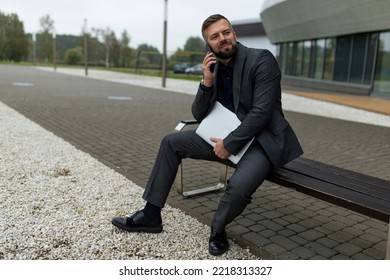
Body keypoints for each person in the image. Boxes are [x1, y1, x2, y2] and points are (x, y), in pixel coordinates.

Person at [112, 14, 303, 256]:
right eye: (215, 36)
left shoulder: (261, 60)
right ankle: (151, 215)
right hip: (221, 136)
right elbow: (199, 113)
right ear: (208, 45)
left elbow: (262, 112)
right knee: (171, 142)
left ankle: (218, 229)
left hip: (261, 142)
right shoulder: (213, 68)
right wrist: (207, 81)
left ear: (234, 34)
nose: (223, 39)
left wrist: (230, 144)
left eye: (226, 32)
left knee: (239, 187)